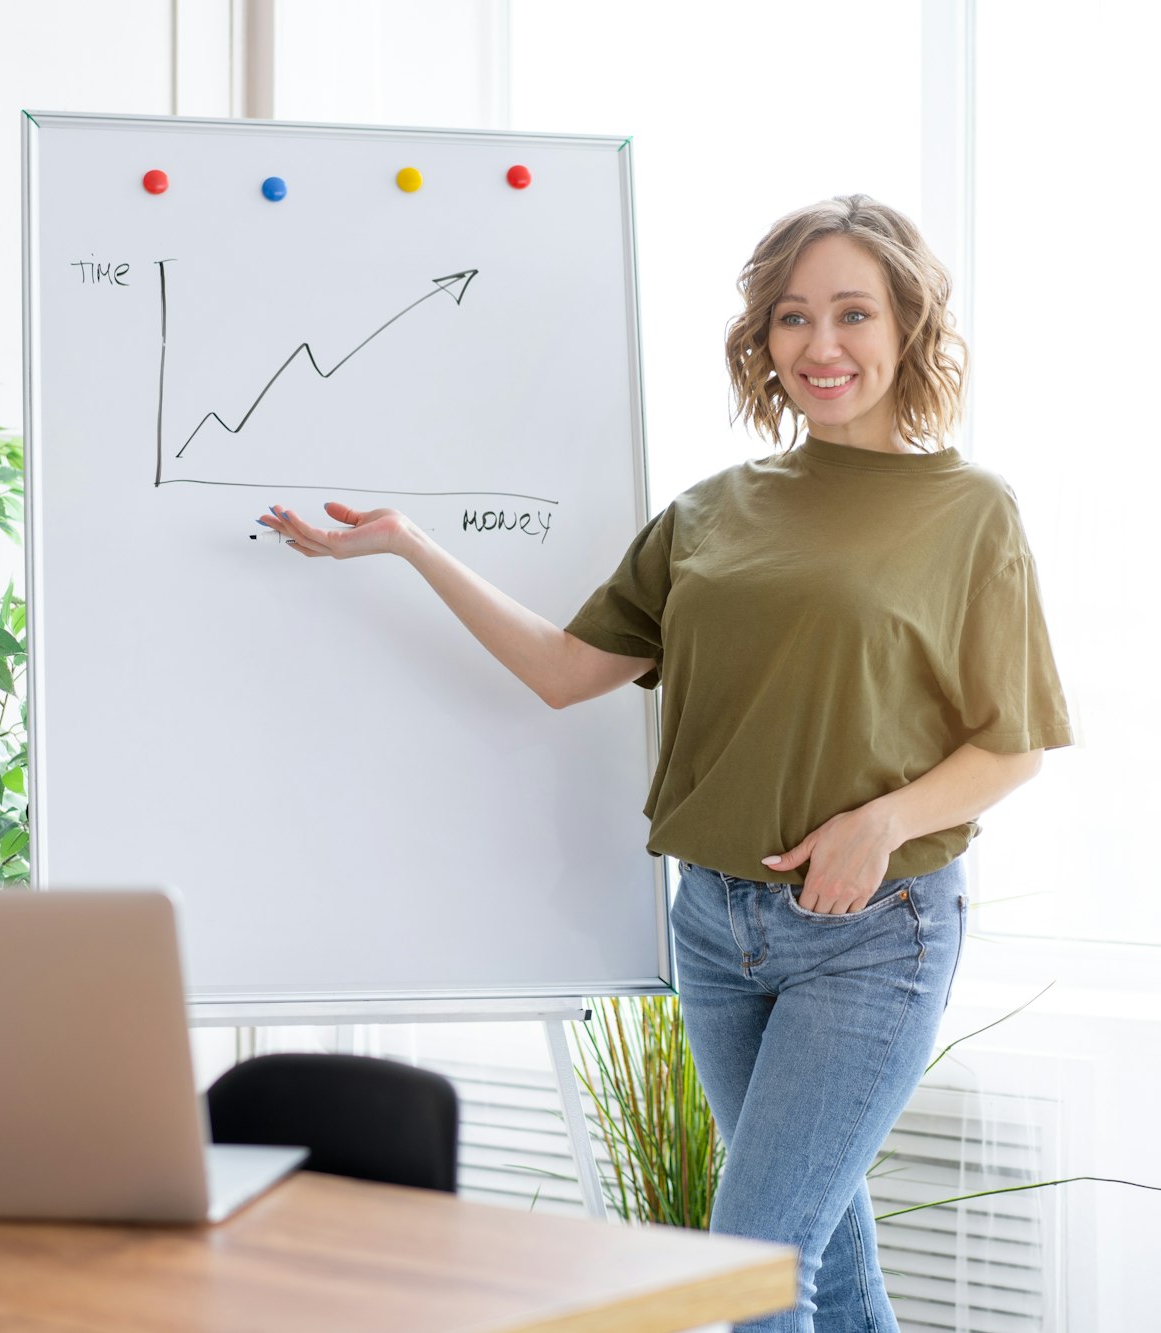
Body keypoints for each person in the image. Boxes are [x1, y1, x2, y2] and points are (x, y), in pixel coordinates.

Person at [257, 194, 1072, 1333]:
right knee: (820, 1264)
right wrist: (408, 544)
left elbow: (1013, 744)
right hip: (712, 929)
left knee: (747, 1267)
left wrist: (879, 823)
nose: (820, 346)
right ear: (762, 340)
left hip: (871, 931)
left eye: (851, 313)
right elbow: (562, 669)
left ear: (907, 325)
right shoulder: (711, 511)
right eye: (792, 318)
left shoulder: (967, 511)